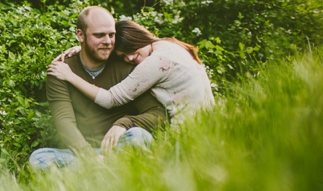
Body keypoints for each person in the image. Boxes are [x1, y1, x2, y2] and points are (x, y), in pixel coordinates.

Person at [29, 6, 168, 170]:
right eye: (99, 35)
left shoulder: (125, 64)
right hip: (81, 152)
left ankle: (94, 174)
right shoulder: (60, 71)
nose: (108, 42)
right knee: (38, 159)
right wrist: (90, 157)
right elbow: (64, 123)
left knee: (140, 137)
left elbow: (159, 114)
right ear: (80, 35)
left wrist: (125, 123)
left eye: (111, 35)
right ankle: (112, 170)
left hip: (120, 144)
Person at [48, 19, 215, 126]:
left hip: (187, 130)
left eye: (130, 48)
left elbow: (111, 99)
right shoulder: (169, 45)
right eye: (122, 56)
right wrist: (84, 50)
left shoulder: (156, 62)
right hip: (208, 123)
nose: (129, 58)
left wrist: (69, 76)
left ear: (137, 37)